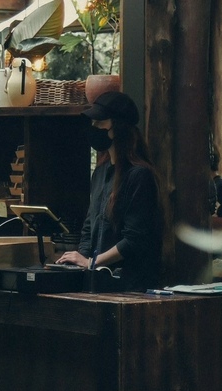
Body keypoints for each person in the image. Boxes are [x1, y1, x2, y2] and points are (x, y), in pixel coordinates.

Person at [56, 91, 163, 291]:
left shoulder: (139, 176)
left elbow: (134, 240)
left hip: (128, 287)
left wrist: (92, 262)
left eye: (100, 123)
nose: (94, 128)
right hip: (97, 283)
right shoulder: (100, 173)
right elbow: (89, 226)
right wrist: (80, 262)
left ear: (119, 127)